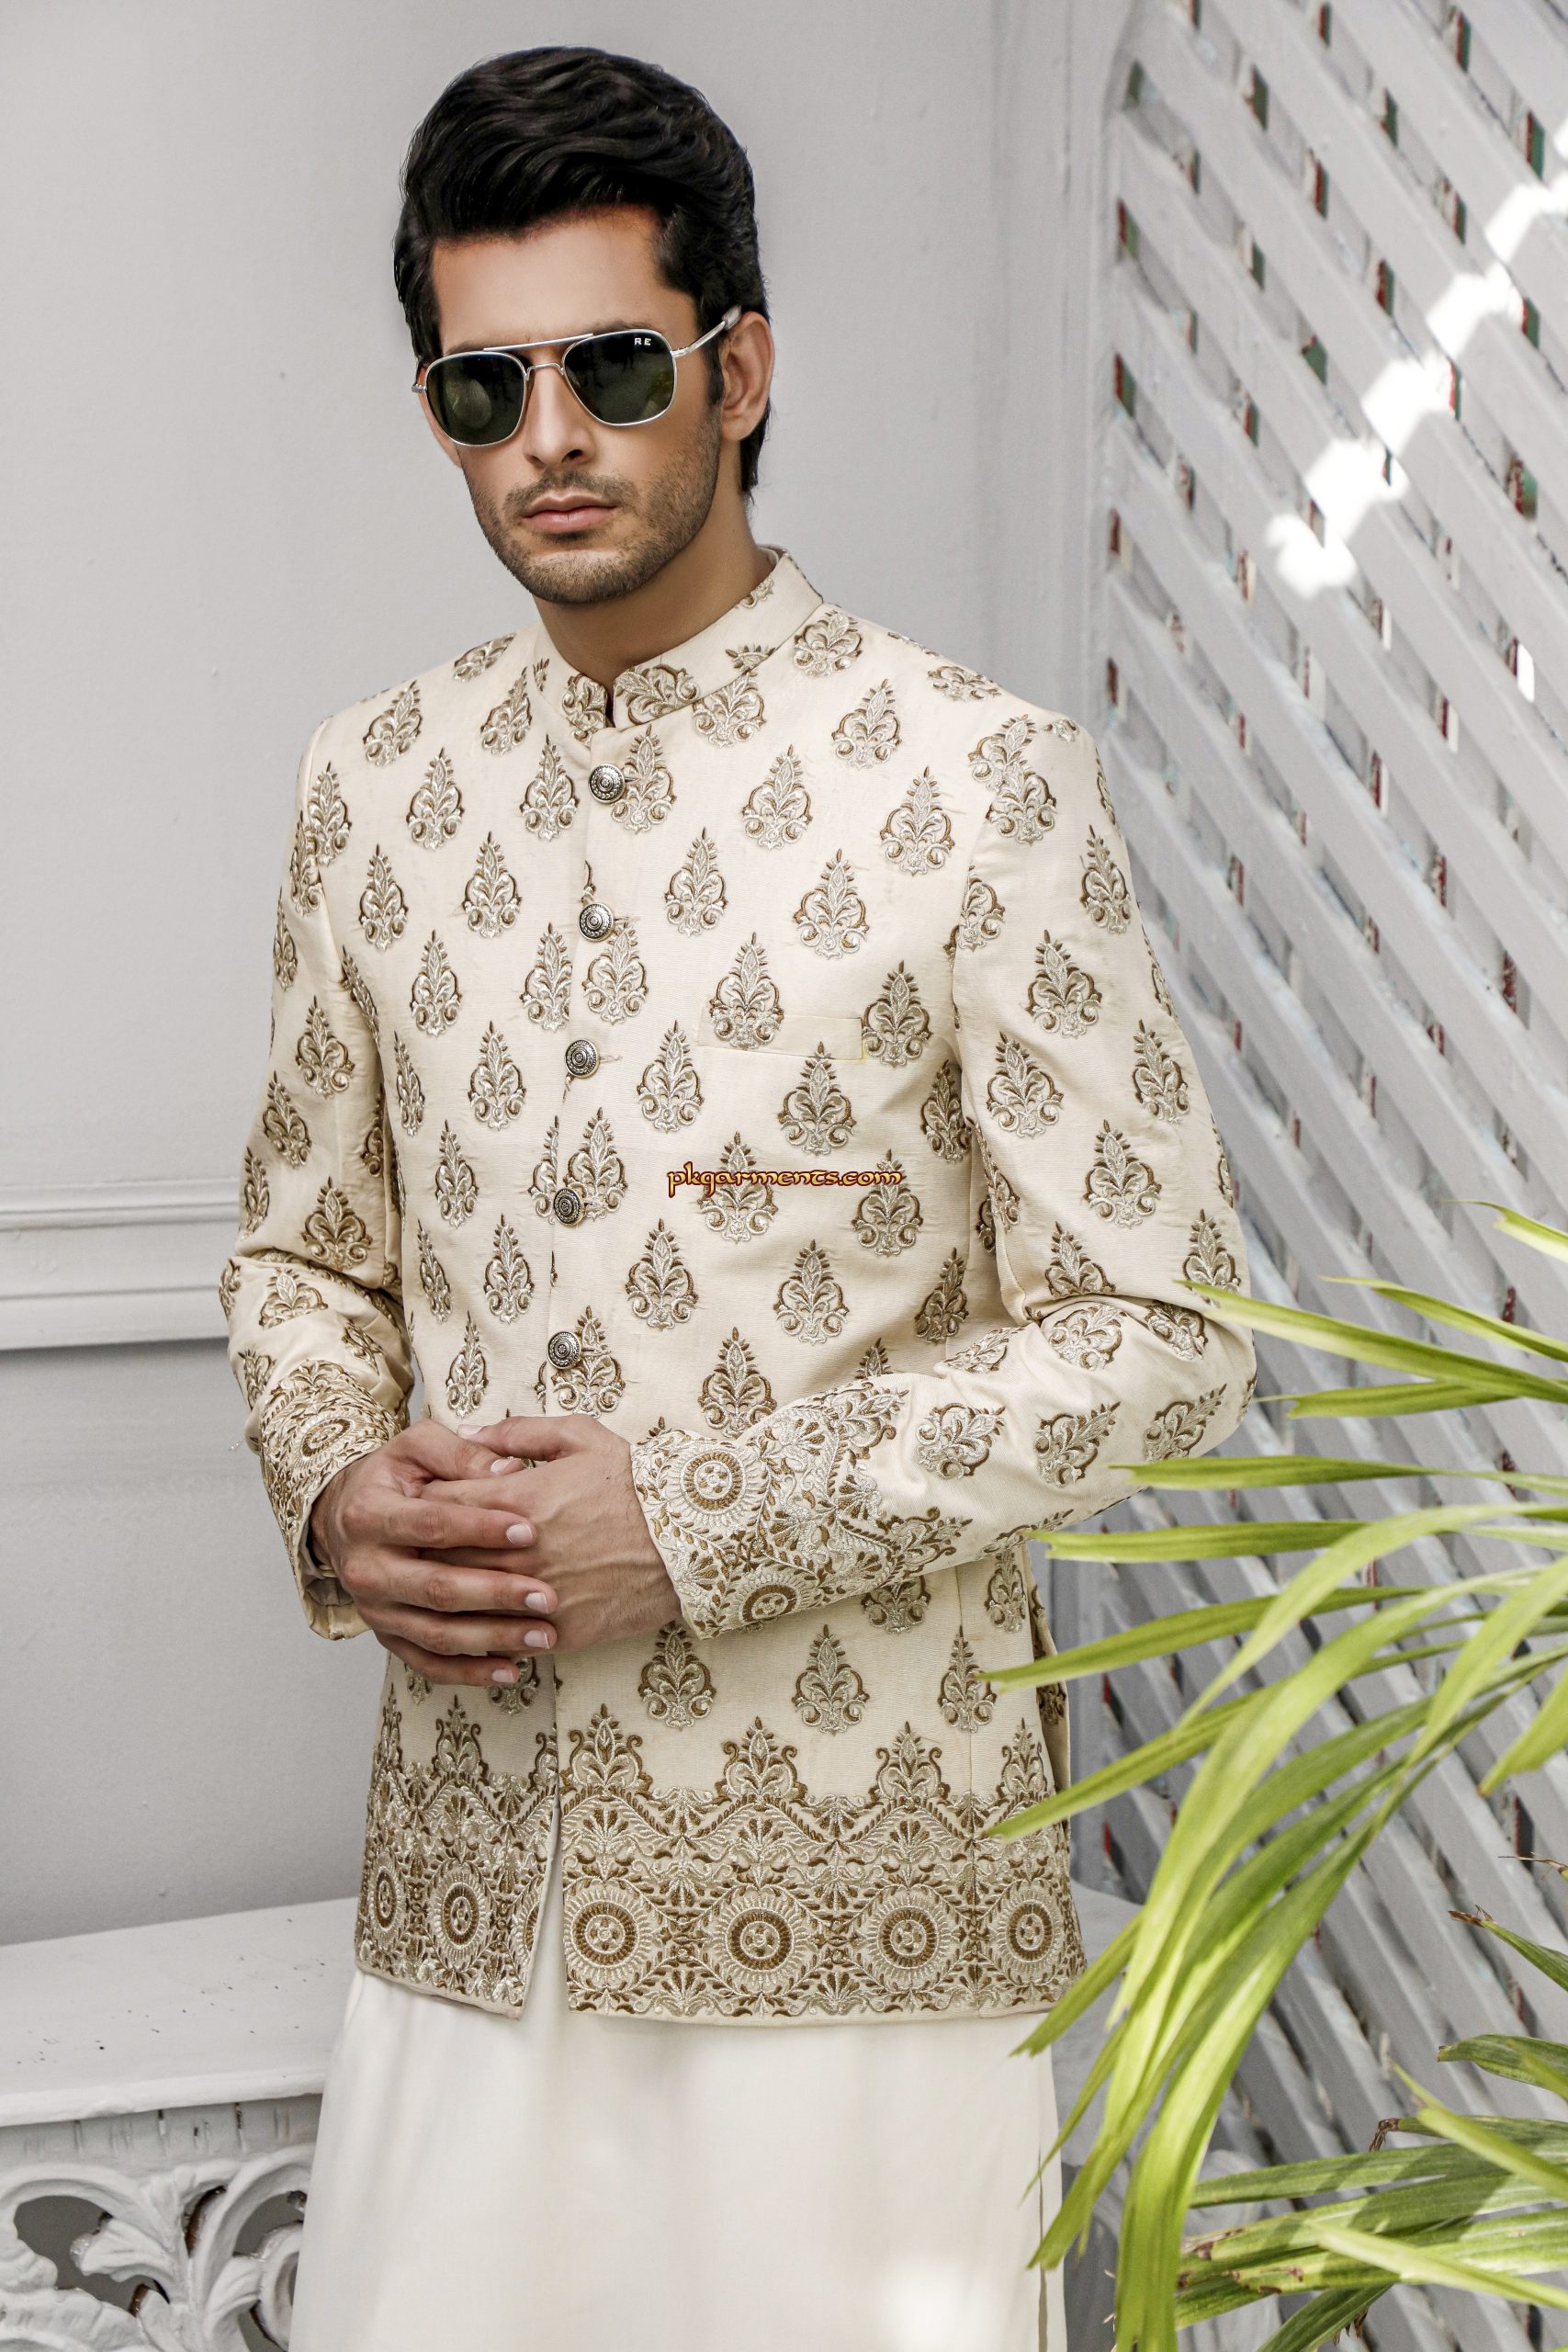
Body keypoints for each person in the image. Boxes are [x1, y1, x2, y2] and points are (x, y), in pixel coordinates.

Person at [222, 42, 1257, 2351]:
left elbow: (1161, 1334)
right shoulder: (371, 786)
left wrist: (686, 1518)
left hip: (859, 1906)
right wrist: (332, 1486)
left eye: (607, 366)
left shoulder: (975, 782)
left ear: (736, 369)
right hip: (476, 1884)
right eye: (480, 388)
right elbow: (306, 1249)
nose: (547, 438)